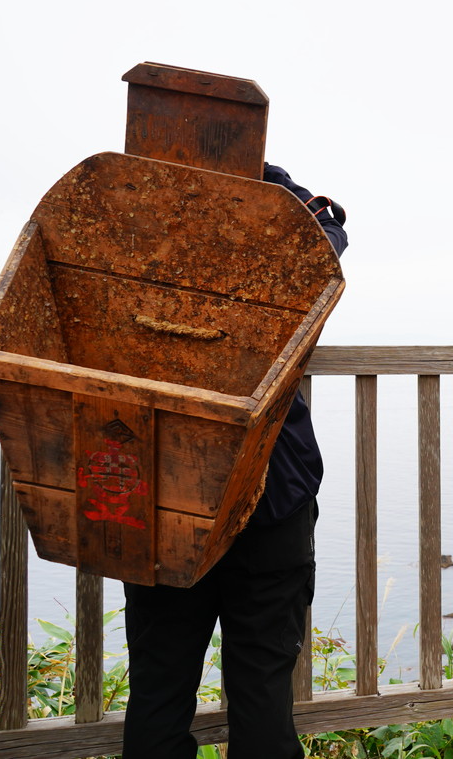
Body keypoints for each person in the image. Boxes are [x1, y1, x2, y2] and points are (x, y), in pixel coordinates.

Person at [122, 164, 348, 759]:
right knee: (263, 693)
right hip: (274, 492)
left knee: (159, 685)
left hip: (161, 489)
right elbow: (326, 237)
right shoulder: (272, 199)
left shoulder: (128, 201)